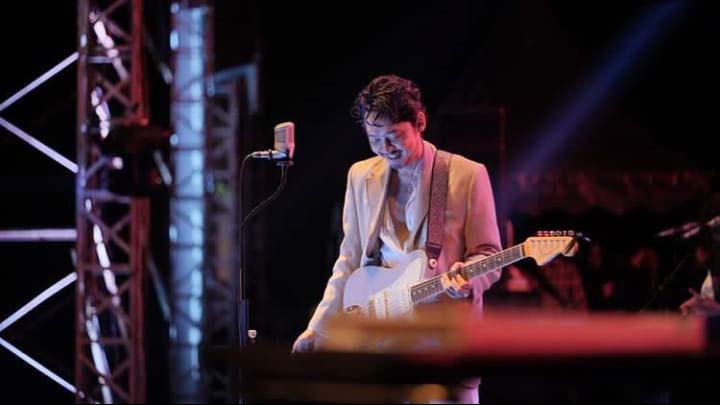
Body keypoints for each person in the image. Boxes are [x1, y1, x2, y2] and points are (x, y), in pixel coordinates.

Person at [291, 74, 502, 403]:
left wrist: (468, 279)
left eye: (393, 137)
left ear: (420, 122)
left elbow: (489, 253)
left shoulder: (467, 175)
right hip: (381, 345)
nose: (384, 149)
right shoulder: (360, 175)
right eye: (374, 139)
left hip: (444, 343)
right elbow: (349, 260)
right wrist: (319, 328)